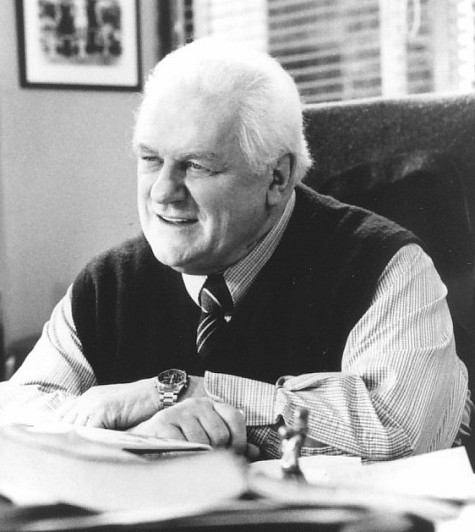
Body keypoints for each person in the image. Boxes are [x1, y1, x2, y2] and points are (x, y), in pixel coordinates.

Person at [0, 39, 471, 462]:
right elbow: (18, 412)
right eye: (150, 159)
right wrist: (138, 436)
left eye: (196, 166)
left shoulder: (383, 264)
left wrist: (190, 396)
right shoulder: (107, 283)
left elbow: (400, 428)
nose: (162, 192)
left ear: (277, 178)